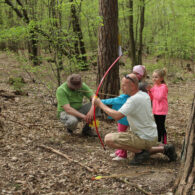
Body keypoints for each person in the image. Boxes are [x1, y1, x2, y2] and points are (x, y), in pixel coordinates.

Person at [92, 74, 177, 165]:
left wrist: (100, 104)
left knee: (108, 139)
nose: (122, 88)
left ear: (132, 86)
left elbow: (116, 116)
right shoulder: (144, 95)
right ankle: (165, 149)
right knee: (135, 146)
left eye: (124, 85)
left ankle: (141, 153)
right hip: (150, 135)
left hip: (143, 137)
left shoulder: (133, 100)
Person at [101, 94, 130, 161]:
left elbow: (112, 101)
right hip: (123, 119)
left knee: (121, 136)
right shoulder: (128, 96)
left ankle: (123, 155)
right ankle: (119, 151)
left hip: (123, 120)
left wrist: (100, 101)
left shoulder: (123, 98)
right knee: (120, 134)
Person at [148, 69, 168, 144]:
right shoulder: (155, 86)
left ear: (161, 78)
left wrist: (152, 90)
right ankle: (159, 139)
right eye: (153, 77)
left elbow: (159, 98)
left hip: (162, 110)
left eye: (156, 77)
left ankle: (163, 140)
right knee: (157, 125)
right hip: (156, 109)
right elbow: (152, 98)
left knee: (161, 126)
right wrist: (150, 91)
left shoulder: (163, 87)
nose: (154, 79)